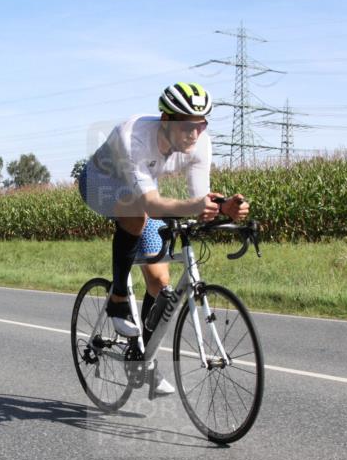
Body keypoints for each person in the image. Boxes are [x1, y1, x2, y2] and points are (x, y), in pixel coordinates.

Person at [78, 82, 249, 395]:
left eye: (201, 125)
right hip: (99, 184)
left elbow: (199, 200)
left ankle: (141, 358)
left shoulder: (200, 144)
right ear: (166, 120)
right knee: (135, 211)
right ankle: (117, 300)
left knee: (159, 281)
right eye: (187, 126)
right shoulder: (135, 137)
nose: (194, 134)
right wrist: (195, 206)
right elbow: (151, 204)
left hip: (140, 194)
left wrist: (223, 207)